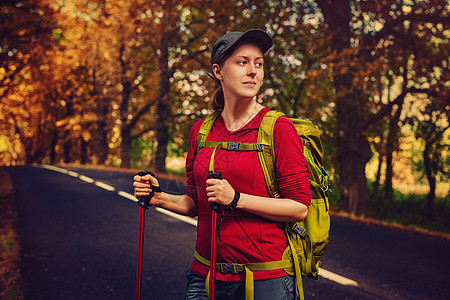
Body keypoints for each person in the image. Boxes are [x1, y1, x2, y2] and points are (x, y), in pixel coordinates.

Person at [133, 29, 311, 300]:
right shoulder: (201, 132)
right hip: (206, 275)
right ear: (218, 70)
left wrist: (236, 199)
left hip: (265, 278)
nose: (253, 71)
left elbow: (299, 207)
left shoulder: (278, 128)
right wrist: (158, 198)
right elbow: (196, 203)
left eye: (259, 63)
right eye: (242, 62)